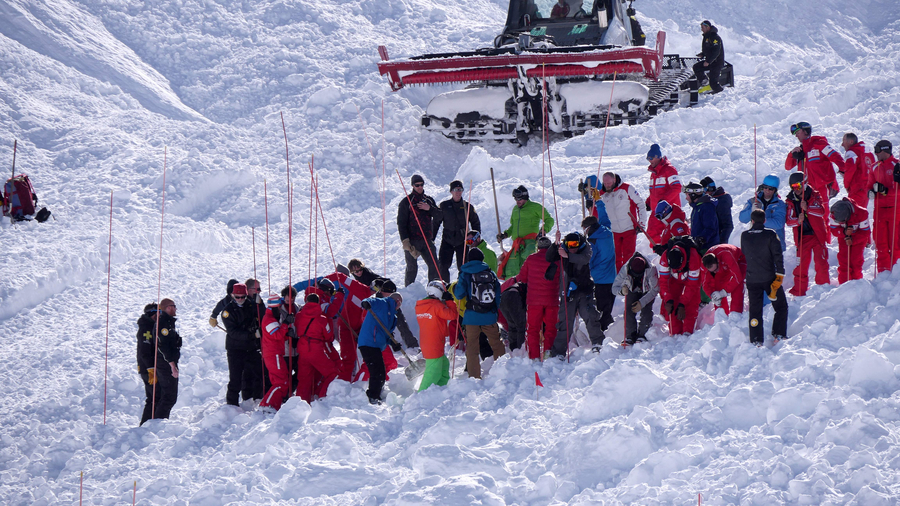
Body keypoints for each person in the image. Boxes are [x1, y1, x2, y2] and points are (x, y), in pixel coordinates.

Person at [546, 231, 606, 355]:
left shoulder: (586, 247)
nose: (572, 248)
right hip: (568, 292)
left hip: (584, 290)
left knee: (590, 316)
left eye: (575, 244)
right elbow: (549, 257)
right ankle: (558, 352)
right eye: (570, 244)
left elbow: (585, 259)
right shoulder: (563, 249)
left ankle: (598, 343)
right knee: (565, 322)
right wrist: (556, 244)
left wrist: (568, 256)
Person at [454, 248, 504, 378]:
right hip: (489, 316)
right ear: (482, 259)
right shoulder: (490, 273)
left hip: (471, 317)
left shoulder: (465, 273)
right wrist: (493, 311)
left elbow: (459, 294)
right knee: (497, 344)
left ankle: (474, 376)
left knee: (472, 349)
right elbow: (498, 296)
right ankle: (503, 372)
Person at [741, 209, 788, 345]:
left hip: (752, 278)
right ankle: (778, 334)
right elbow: (777, 256)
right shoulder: (770, 234)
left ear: (752, 221)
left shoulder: (744, 235)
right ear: (765, 221)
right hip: (769, 277)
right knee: (780, 307)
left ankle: (756, 340)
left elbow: (744, 252)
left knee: (755, 311)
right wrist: (780, 273)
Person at [589, 172, 645, 271]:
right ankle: (618, 281)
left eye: (609, 183)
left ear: (614, 180)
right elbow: (597, 213)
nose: (607, 186)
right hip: (613, 231)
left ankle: (629, 277)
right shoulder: (601, 194)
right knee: (615, 258)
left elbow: (640, 204)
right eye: (605, 183)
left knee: (629, 257)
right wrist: (589, 203)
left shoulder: (627, 188)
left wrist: (642, 223)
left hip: (629, 228)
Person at [785, 172, 830, 295]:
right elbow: (789, 221)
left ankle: (823, 288)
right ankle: (799, 291)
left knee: (821, 262)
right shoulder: (790, 200)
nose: (796, 190)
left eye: (798, 186)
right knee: (801, 266)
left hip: (817, 236)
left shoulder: (814, 195)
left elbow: (821, 211)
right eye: (793, 187)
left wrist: (808, 208)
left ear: (804, 184)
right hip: (802, 237)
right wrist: (798, 220)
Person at [496, 185, 554, 279]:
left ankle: (529, 287)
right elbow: (513, 226)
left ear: (525, 197)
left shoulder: (535, 207)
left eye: (519, 199)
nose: (517, 201)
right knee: (512, 270)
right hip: (516, 244)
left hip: (529, 243)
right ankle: (512, 289)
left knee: (528, 267)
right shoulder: (515, 209)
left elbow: (549, 220)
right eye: (515, 199)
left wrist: (542, 231)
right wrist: (505, 234)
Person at [516, 236, 560, 359]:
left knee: (533, 330)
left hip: (534, 301)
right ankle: (548, 352)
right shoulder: (557, 260)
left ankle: (534, 356)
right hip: (552, 299)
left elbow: (522, 278)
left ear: (538, 247)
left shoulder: (531, 259)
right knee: (551, 328)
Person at [293, 292, 341, 403]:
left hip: (302, 349)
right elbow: (329, 336)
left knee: (304, 379)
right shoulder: (322, 318)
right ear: (318, 303)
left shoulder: (299, 315)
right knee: (332, 373)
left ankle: (301, 404)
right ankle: (322, 398)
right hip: (316, 350)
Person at [221, 283, 264, 406]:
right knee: (236, 378)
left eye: (242, 297)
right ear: (232, 295)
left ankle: (256, 399)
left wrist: (260, 305)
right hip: (236, 349)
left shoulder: (251, 305)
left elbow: (262, 316)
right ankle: (231, 405)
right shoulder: (227, 311)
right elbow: (233, 332)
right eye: (237, 297)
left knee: (257, 374)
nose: (240, 299)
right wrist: (252, 335)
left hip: (251, 347)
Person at [358, 292, 403, 404]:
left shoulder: (393, 317)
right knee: (377, 372)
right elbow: (371, 300)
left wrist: (393, 343)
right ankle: (373, 396)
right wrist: (366, 303)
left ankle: (375, 394)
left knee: (380, 372)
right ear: (397, 302)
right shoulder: (383, 303)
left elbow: (386, 334)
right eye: (399, 304)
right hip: (368, 342)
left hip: (376, 345)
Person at [397, 174, 442, 286]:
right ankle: (409, 289)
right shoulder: (406, 202)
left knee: (434, 265)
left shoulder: (429, 200)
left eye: (421, 184)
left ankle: (434, 288)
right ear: (412, 185)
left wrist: (429, 209)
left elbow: (439, 216)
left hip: (427, 240)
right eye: (417, 185)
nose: (420, 187)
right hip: (412, 241)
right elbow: (401, 223)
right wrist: (405, 241)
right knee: (412, 267)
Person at [434, 180, 481, 281]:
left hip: (463, 241)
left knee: (464, 267)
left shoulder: (468, 207)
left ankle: (462, 288)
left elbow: (476, 224)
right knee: (443, 265)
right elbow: (435, 223)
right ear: (451, 191)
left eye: (460, 190)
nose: (458, 192)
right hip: (447, 240)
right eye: (456, 190)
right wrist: (431, 239)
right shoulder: (444, 206)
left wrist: (474, 239)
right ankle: (445, 289)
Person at [415, 281, 458, 391]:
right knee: (433, 373)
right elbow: (452, 315)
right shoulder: (436, 306)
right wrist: (449, 301)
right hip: (434, 343)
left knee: (443, 365)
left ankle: (440, 389)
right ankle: (421, 395)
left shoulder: (421, 306)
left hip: (427, 342)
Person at [785, 122, 843, 201]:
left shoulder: (819, 144)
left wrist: (844, 169)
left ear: (805, 132)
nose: (796, 136)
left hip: (823, 187)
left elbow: (835, 156)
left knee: (823, 212)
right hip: (808, 191)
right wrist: (792, 154)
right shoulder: (800, 151)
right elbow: (787, 167)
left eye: (798, 132)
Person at [259, 289, 296, 411]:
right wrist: (285, 324)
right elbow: (277, 335)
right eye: (279, 307)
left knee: (282, 381)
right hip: (273, 354)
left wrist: (287, 334)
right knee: (281, 382)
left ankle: (272, 405)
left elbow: (277, 337)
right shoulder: (269, 319)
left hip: (275, 353)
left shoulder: (272, 318)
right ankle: (267, 404)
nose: (281, 309)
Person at [658, 237, 702, 336]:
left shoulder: (693, 257)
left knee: (692, 300)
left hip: (691, 278)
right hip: (674, 279)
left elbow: (692, 286)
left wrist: (682, 304)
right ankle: (675, 331)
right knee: (672, 302)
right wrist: (668, 299)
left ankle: (687, 330)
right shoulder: (665, 256)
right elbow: (663, 281)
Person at [868, 140, 900, 273]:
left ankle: (895, 272)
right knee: (880, 242)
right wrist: (870, 191)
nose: (875, 153)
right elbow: (869, 184)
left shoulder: (896, 165)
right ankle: (882, 272)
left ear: (885, 150)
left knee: (895, 242)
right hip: (879, 210)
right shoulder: (874, 167)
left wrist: (886, 191)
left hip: (895, 210)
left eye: (877, 150)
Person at [612, 254, 658, 345]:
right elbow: (614, 288)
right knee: (629, 310)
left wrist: (641, 303)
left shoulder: (651, 269)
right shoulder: (625, 269)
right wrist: (621, 291)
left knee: (646, 311)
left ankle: (642, 334)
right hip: (631, 289)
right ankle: (630, 335)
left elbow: (655, 289)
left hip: (647, 290)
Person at [583, 210, 616, 331]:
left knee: (602, 310)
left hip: (599, 279)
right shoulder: (607, 232)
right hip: (612, 277)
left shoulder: (592, 242)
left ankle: (604, 333)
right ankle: (611, 330)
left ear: (588, 228)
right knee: (608, 306)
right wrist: (599, 203)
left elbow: (589, 261)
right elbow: (605, 218)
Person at [646, 144, 683, 244]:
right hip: (656, 211)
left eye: (651, 158)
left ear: (658, 157)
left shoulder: (669, 170)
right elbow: (654, 192)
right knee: (651, 233)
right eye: (648, 158)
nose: (649, 160)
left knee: (671, 234)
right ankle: (658, 254)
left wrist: (663, 201)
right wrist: (648, 202)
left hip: (668, 210)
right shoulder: (653, 173)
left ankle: (668, 255)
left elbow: (676, 188)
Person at [738, 174, 787, 251]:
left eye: (770, 189)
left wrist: (759, 219)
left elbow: (779, 223)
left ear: (775, 190)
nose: (767, 190)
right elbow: (742, 219)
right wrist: (751, 211)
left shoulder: (780, 205)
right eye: (765, 187)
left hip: (773, 244)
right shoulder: (753, 201)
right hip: (756, 243)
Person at [829, 198, 871, 284]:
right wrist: (844, 232)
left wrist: (853, 241)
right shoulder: (834, 213)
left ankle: (857, 284)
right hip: (843, 237)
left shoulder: (862, 213)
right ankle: (844, 285)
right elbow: (834, 230)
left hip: (859, 238)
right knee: (844, 262)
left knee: (856, 262)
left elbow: (865, 232)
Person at [153, 298, 182, 420]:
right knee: (169, 396)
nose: (176, 308)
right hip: (165, 364)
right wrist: (172, 365)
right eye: (174, 306)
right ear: (168, 307)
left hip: (168, 362)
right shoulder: (163, 323)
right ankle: (158, 422)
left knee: (168, 396)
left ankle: (160, 420)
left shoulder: (168, 322)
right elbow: (163, 346)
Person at [700, 244, 747, 315]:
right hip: (723, 266)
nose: (715, 272)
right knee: (717, 290)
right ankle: (721, 316)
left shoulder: (726, 255)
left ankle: (735, 315)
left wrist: (724, 292)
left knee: (737, 286)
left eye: (716, 269)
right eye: (712, 271)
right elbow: (705, 284)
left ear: (717, 261)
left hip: (739, 259)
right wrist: (712, 296)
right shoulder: (704, 266)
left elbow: (737, 277)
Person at [137, 302, 159, 425]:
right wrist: (151, 369)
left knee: (155, 397)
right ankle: (146, 424)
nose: (159, 315)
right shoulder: (146, 328)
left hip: (152, 368)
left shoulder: (152, 326)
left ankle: (149, 423)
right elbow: (145, 351)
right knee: (154, 398)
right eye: (157, 313)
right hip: (148, 369)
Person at [841, 133, 874, 207]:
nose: (842, 144)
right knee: (862, 213)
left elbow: (850, 170)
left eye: (844, 141)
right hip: (867, 188)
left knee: (854, 213)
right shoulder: (868, 153)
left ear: (851, 142)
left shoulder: (852, 153)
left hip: (857, 188)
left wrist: (846, 185)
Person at [684, 182, 719, 251]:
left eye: (687, 195)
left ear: (693, 195)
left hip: (707, 247)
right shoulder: (697, 207)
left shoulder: (707, 207)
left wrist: (701, 239)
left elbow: (710, 228)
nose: (686, 198)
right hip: (699, 247)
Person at [693, 20, 725, 94]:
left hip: (717, 63)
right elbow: (708, 49)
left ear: (707, 27)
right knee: (696, 67)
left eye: (703, 27)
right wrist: (703, 54)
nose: (701, 29)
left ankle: (722, 95)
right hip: (710, 62)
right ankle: (705, 82)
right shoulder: (706, 36)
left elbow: (716, 51)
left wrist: (708, 61)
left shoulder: (715, 37)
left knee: (714, 83)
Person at [700, 177, 733, 244]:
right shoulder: (710, 200)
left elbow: (727, 225)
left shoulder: (721, 202)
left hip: (717, 241)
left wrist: (721, 242)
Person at [498, 277, 527, 351]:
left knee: (512, 326)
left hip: (503, 297)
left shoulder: (518, 280)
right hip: (514, 296)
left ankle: (514, 349)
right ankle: (521, 349)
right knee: (521, 326)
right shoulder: (531, 286)